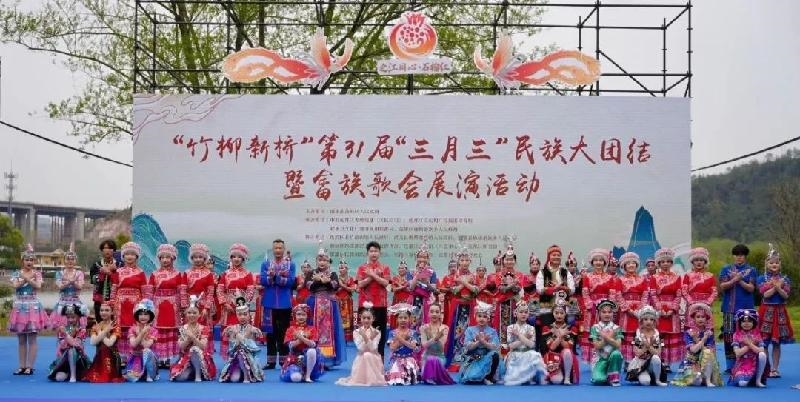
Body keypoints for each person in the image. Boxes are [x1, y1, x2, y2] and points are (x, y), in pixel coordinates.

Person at [8, 244, 48, 376]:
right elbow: (15, 285)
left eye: (31, 260)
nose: (29, 262)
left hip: (32, 307)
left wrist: (27, 279)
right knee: (21, 339)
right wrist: (24, 279)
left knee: (32, 338)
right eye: (27, 260)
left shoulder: (37, 273)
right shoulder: (16, 273)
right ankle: (21, 366)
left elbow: (38, 286)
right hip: (20, 306)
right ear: (22, 261)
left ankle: (30, 366)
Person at [305, 243, 347, 367]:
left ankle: (327, 360)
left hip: (329, 305)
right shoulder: (311, 273)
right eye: (320, 260)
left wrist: (327, 281)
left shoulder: (333, 274)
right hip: (314, 304)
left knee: (330, 330)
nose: (322, 262)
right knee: (313, 329)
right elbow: (309, 286)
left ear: (328, 262)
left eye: (325, 260)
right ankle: (314, 358)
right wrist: (318, 281)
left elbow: (335, 286)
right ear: (316, 261)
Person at [757, 244, 794, 378]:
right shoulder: (762, 278)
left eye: (777, 262)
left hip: (780, 311)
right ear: (767, 264)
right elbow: (765, 295)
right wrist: (776, 287)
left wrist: (778, 288)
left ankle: (775, 368)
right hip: (766, 311)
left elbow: (785, 296)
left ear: (780, 264)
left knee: (777, 343)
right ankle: (766, 368)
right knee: (765, 342)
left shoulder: (785, 279)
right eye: (771, 262)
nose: (774, 265)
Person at [718, 243, 757, 373]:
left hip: (746, 309)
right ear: (733, 256)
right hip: (729, 308)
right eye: (736, 255)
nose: (739, 257)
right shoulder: (726, 269)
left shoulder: (751, 270)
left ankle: (745, 365)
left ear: (745, 256)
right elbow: (722, 286)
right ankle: (730, 366)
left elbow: (751, 288)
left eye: (742, 255)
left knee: (746, 335)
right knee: (729, 335)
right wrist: (735, 279)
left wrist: (739, 280)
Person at [259, 239, 296, 369]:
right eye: (276, 248)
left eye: (280, 248)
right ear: (273, 249)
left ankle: (284, 361)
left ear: (284, 249)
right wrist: (270, 277)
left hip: (285, 303)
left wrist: (277, 278)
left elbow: (291, 282)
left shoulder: (290, 264)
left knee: (284, 332)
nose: (278, 250)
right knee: (270, 333)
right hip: (269, 303)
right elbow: (262, 280)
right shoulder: (265, 264)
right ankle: (271, 361)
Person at [149, 243, 187, 367]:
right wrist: (148, 307)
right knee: (158, 330)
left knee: (171, 330)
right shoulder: (154, 274)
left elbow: (182, 291)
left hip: (172, 306)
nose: (165, 260)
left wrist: (183, 306)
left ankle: (169, 358)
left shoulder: (178, 274)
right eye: (162, 257)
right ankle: (159, 357)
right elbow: (149, 292)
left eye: (168, 257)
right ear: (159, 259)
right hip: (158, 306)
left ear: (173, 259)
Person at [110, 241, 148, 362]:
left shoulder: (141, 272)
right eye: (127, 254)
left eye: (132, 254)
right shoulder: (118, 272)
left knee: (135, 328)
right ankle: (121, 355)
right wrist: (112, 302)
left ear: (136, 256)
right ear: (123, 256)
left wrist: (144, 306)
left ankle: (135, 354)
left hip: (135, 304)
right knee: (120, 328)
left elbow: (145, 291)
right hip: (120, 304)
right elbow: (114, 288)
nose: (129, 256)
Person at [217, 243, 257, 356]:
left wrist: (242, 306)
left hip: (242, 308)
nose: (236, 259)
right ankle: (229, 358)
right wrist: (224, 303)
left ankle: (243, 357)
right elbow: (219, 290)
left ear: (243, 259)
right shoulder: (225, 274)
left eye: (239, 257)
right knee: (229, 330)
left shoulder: (248, 274)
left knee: (242, 331)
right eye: (234, 256)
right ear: (230, 258)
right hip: (228, 308)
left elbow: (250, 290)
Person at [670, 302, 723, 387]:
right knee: (697, 381)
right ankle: (700, 377)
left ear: (706, 319)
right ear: (693, 319)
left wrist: (699, 340)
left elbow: (709, 350)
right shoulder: (689, 332)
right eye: (698, 317)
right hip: (691, 362)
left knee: (708, 353)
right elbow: (693, 350)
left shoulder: (709, 333)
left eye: (703, 317)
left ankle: (708, 380)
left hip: (704, 362)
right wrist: (703, 340)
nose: (700, 319)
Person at [648, 247, 684, 370]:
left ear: (671, 263)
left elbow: (678, 295)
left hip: (672, 311)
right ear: (658, 263)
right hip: (658, 310)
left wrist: (672, 309)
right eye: (662, 261)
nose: (665, 264)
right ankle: (659, 360)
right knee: (659, 335)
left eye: (668, 261)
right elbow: (653, 294)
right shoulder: (654, 278)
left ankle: (667, 363)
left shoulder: (677, 277)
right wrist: (660, 309)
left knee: (670, 336)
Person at [580, 248, 618, 362]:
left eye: (601, 260)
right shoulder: (587, 277)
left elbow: (612, 294)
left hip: (606, 310)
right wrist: (591, 306)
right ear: (592, 262)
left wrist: (607, 308)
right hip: (591, 310)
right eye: (596, 260)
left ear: (605, 262)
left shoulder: (610, 278)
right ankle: (592, 359)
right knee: (592, 333)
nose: (598, 262)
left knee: (606, 332)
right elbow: (585, 293)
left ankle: (605, 358)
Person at [356, 241, 392, 361]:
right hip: (365, 306)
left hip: (380, 305)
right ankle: (364, 361)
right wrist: (371, 276)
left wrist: (373, 275)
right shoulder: (361, 268)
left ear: (379, 253)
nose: (373, 253)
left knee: (379, 334)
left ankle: (379, 361)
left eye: (376, 251)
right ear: (367, 253)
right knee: (365, 334)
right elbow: (360, 284)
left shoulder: (385, 268)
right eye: (371, 251)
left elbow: (386, 283)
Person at [336, 303, 387, 386]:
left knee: (368, 355)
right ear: (360, 318)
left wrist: (366, 337)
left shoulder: (377, 332)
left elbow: (373, 348)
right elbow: (361, 348)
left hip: (374, 358)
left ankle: (373, 378)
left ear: (373, 319)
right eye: (364, 318)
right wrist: (367, 337)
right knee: (366, 355)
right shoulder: (356, 332)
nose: (366, 320)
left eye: (368, 318)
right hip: (361, 358)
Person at [169, 296, 217, 382]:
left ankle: (198, 374)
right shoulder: (182, 329)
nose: (192, 315)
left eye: (194, 313)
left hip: (201, 358)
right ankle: (191, 370)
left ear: (199, 315)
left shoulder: (204, 328)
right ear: (186, 314)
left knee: (195, 349)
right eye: (189, 313)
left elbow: (203, 346)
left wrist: (193, 337)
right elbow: (181, 347)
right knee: (180, 378)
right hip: (186, 359)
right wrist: (189, 338)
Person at [445, 246, 478, 369]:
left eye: (467, 260)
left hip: (469, 306)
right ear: (458, 261)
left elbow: (476, 290)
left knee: (469, 332)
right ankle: (454, 361)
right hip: (457, 307)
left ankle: (468, 361)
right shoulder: (453, 276)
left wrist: (464, 282)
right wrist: (465, 283)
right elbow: (453, 291)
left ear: (470, 261)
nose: (464, 263)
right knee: (455, 332)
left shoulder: (473, 275)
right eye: (462, 260)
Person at [219, 297, 265, 383]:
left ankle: (247, 375)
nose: (242, 317)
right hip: (235, 359)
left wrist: (238, 336)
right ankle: (239, 371)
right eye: (240, 315)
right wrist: (236, 340)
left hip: (250, 359)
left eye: (245, 314)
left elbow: (252, 346)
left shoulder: (253, 329)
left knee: (242, 352)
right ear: (237, 316)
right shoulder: (232, 328)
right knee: (234, 379)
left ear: (249, 315)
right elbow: (232, 347)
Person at [457, 301, 501, 385]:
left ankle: (489, 377)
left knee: (495, 355)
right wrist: (478, 342)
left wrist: (484, 342)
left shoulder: (492, 331)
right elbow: (467, 346)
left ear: (488, 318)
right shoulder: (470, 330)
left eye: (484, 316)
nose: (482, 319)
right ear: (475, 316)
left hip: (487, 358)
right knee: (471, 379)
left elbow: (495, 347)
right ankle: (476, 375)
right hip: (474, 358)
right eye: (479, 316)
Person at [616, 252, 649, 362]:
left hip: (639, 311)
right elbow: (618, 295)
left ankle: (639, 358)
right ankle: (627, 360)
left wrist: (640, 308)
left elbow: (645, 294)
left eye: (633, 263)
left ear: (637, 264)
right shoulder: (620, 279)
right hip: (626, 312)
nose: (631, 265)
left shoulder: (643, 279)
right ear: (624, 266)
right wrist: (627, 309)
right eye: (628, 263)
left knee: (639, 333)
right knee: (626, 334)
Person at [502, 304, 546, 386]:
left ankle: (533, 376)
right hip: (515, 354)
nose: (524, 314)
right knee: (514, 380)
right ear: (516, 313)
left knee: (535, 355)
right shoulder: (510, 328)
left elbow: (532, 345)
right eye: (521, 312)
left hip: (528, 353)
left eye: (526, 312)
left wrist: (518, 335)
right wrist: (525, 337)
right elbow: (511, 346)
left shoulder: (531, 328)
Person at [47, 304, 91, 382]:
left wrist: (66, 334)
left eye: (73, 317)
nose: (70, 320)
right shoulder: (62, 329)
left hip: (78, 359)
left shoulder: (82, 330)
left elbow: (76, 344)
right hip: (65, 359)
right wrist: (66, 335)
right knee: (59, 378)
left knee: (71, 349)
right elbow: (63, 346)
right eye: (68, 317)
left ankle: (73, 376)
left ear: (79, 317)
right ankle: (69, 373)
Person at [625, 305, 667, 386]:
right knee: (646, 382)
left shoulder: (658, 334)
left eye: (651, 319)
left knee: (656, 358)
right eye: (646, 319)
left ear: (654, 321)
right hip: (641, 363)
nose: (649, 322)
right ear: (641, 321)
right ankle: (644, 375)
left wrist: (649, 345)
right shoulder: (637, 334)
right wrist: (647, 346)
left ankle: (657, 380)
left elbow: (657, 353)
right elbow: (638, 353)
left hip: (653, 363)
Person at [280, 303, 323, 383]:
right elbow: (290, 346)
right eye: (298, 314)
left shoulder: (312, 329)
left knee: (312, 351)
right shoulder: (290, 329)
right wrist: (303, 339)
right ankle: (299, 373)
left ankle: (308, 376)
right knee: (295, 378)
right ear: (294, 316)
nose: (301, 317)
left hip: (309, 358)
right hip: (295, 359)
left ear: (307, 316)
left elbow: (313, 344)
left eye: (303, 315)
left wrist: (300, 337)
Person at [83, 302, 125, 383]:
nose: (103, 312)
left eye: (107, 310)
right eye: (101, 310)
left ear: (112, 312)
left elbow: (109, 343)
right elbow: (93, 342)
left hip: (112, 357)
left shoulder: (115, 326)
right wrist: (105, 331)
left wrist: (100, 332)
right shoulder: (96, 326)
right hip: (99, 357)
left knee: (105, 348)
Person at [536, 245, 575, 329]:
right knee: (548, 332)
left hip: (563, 309)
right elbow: (539, 289)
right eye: (554, 255)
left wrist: (561, 288)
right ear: (549, 257)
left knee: (563, 332)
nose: (556, 257)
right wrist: (554, 289)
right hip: (547, 308)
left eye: (558, 255)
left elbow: (572, 290)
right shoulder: (542, 272)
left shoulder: (566, 272)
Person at [50, 243, 88, 329]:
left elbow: (80, 287)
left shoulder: (79, 273)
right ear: (64, 260)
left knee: (76, 327)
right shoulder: (59, 273)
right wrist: (70, 282)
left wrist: (72, 282)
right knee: (62, 327)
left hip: (76, 302)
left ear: (75, 261)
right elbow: (60, 287)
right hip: (63, 302)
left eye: (72, 259)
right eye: (68, 259)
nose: (70, 261)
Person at [541, 302, 579, 385]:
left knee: (567, 351)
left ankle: (567, 378)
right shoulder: (547, 328)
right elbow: (551, 347)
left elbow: (568, 346)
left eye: (562, 313)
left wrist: (558, 336)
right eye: (556, 313)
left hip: (567, 358)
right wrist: (561, 336)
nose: (559, 315)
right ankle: (555, 373)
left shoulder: (571, 329)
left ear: (565, 314)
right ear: (553, 314)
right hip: (553, 358)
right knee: (557, 381)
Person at [728, 309, 767, 387]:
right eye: (743, 321)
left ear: (753, 323)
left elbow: (761, 351)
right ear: (740, 323)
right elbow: (738, 353)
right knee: (741, 383)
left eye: (749, 321)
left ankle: (758, 380)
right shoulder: (736, 335)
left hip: (754, 363)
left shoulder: (757, 334)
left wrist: (749, 344)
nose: (746, 324)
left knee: (762, 355)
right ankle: (748, 381)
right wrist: (749, 345)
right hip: (742, 363)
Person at [589, 299, 623, 386]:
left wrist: (605, 337)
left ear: (613, 313)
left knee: (616, 354)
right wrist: (609, 338)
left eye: (609, 312)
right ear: (599, 313)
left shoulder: (617, 328)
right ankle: (604, 374)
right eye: (604, 312)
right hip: (600, 358)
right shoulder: (595, 328)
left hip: (612, 357)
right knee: (599, 380)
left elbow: (618, 345)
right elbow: (597, 346)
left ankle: (613, 377)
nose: (607, 314)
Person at [385, 303, 421, 385]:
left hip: (409, 359)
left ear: (409, 319)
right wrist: (404, 338)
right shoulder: (392, 333)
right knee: (397, 380)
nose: (403, 320)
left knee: (409, 377)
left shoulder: (413, 333)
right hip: (396, 360)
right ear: (397, 319)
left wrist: (401, 339)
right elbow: (392, 348)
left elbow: (413, 347)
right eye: (400, 318)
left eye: (405, 318)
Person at [419, 303, 455, 385]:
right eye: (432, 311)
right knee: (430, 360)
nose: (434, 314)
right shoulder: (424, 328)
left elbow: (441, 346)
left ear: (440, 314)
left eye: (437, 312)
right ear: (428, 313)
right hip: (426, 357)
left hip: (439, 357)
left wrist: (434, 337)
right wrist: (435, 338)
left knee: (433, 360)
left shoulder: (445, 328)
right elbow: (424, 345)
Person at [125, 299, 159, 382]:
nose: (143, 317)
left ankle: (150, 375)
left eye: (146, 314)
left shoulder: (154, 330)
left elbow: (146, 345)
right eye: (140, 314)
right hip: (136, 359)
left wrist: (141, 333)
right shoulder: (132, 329)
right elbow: (133, 344)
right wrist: (141, 333)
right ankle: (139, 373)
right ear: (137, 315)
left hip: (149, 360)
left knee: (147, 351)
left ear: (150, 316)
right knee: (131, 378)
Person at [185, 243, 217, 327]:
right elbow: (183, 291)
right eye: (195, 257)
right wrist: (184, 307)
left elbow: (210, 293)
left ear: (204, 259)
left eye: (200, 257)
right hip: (189, 305)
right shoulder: (187, 273)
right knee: (189, 328)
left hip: (203, 306)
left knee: (203, 329)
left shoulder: (208, 273)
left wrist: (206, 308)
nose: (198, 259)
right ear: (192, 258)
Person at [408, 239, 438, 329]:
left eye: (425, 257)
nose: (422, 259)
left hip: (426, 301)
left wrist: (427, 283)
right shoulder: (411, 272)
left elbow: (434, 289)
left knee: (425, 327)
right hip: (413, 301)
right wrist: (417, 276)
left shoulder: (432, 272)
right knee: (412, 325)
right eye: (420, 257)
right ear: (416, 258)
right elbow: (411, 288)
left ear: (428, 259)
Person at [89, 239, 120, 325]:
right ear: (102, 250)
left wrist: (113, 272)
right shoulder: (96, 265)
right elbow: (93, 280)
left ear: (114, 250)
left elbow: (121, 281)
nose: (107, 250)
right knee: (100, 323)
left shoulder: (120, 265)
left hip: (115, 300)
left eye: (110, 248)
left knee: (115, 324)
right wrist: (101, 273)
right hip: (100, 300)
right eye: (105, 248)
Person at [336, 260, 356, 342]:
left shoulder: (350, 279)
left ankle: (347, 338)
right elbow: (334, 291)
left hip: (347, 301)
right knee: (338, 319)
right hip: (338, 301)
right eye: (340, 268)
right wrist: (342, 286)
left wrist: (343, 285)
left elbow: (352, 290)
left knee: (348, 319)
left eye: (343, 268)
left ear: (347, 269)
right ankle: (339, 337)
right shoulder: (336, 279)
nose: (341, 269)